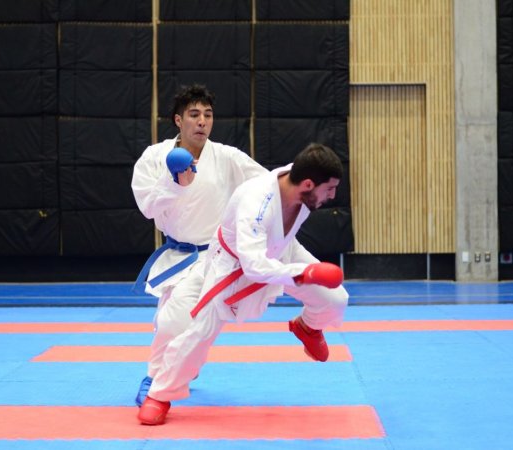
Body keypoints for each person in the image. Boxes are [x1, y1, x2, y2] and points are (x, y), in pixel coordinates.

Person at [137, 143, 349, 426]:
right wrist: (306, 273)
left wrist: (304, 273)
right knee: (201, 329)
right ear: (309, 184)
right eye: (329, 188)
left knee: (335, 298)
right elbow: (255, 267)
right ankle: (160, 394)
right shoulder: (256, 203)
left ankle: (308, 327)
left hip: (281, 247)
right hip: (234, 265)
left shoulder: (297, 180)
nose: (332, 196)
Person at [130, 84, 267, 406]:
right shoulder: (155, 157)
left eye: (207, 115)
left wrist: (298, 179)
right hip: (177, 253)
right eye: (194, 115)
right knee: (170, 321)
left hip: (216, 256)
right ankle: (158, 376)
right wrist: (175, 181)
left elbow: (266, 185)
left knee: (196, 323)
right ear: (179, 120)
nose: (202, 121)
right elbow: (147, 207)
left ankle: (166, 374)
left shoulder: (227, 157)